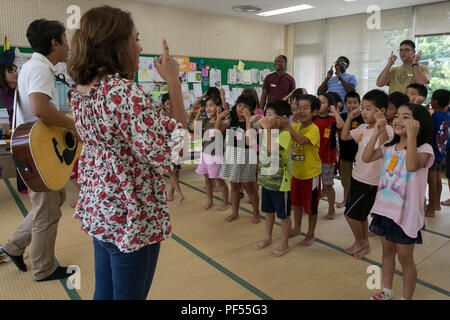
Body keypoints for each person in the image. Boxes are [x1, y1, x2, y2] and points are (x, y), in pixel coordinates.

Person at [67, 6, 188, 300]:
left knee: (104, 293)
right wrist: (173, 79)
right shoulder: (122, 92)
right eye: (135, 38)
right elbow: (177, 144)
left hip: (102, 209)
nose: (140, 46)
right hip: (131, 216)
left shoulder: (81, 90)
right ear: (116, 44)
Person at [1, 19, 75, 282]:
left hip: (34, 149)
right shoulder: (40, 69)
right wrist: (73, 126)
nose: (68, 46)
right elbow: (40, 109)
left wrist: (64, 116)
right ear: (54, 43)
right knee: (47, 210)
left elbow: (41, 110)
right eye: (65, 40)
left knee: (52, 202)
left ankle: (13, 246)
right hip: (37, 152)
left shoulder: (32, 67)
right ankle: (43, 268)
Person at [363, 104, 433, 300]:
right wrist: (376, 133)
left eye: (406, 117)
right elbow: (366, 157)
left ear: (419, 124)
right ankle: (387, 290)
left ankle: (406, 297)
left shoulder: (424, 149)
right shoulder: (389, 147)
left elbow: (411, 166)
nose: (398, 120)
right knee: (387, 252)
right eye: (398, 116)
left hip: (406, 215)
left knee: (405, 258)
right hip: (385, 210)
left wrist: (411, 137)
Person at [340, 89, 394, 259]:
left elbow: (386, 144)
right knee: (359, 216)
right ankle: (363, 242)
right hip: (357, 176)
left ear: (381, 111)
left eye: (368, 108)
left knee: (350, 215)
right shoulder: (363, 127)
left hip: (371, 181)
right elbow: (345, 136)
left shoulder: (388, 129)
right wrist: (349, 117)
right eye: (362, 108)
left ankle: (361, 241)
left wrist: (381, 125)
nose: (363, 111)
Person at [252, 100, 292, 257]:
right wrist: (250, 122)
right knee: (268, 213)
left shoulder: (285, 134)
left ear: (281, 118)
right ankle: (267, 238)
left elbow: (272, 148)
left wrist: (266, 128)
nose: (265, 118)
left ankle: (284, 244)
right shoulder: (266, 132)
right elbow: (249, 141)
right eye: (265, 114)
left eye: (269, 115)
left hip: (280, 183)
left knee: (284, 216)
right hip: (266, 181)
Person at [216, 95, 261, 223]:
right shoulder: (232, 120)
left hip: (246, 155)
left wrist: (248, 119)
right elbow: (217, 131)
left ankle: (256, 213)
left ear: (251, 109)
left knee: (249, 187)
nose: (241, 108)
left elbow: (249, 142)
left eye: (246, 106)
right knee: (234, 185)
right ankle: (234, 212)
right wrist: (219, 117)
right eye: (240, 105)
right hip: (231, 153)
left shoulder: (254, 122)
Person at [285, 94, 321, 246]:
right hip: (297, 174)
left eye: (305, 108)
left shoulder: (314, 129)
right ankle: (297, 228)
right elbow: (285, 132)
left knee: (311, 208)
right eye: (299, 107)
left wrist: (288, 125)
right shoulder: (295, 126)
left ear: (314, 112)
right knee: (297, 204)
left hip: (310, 175)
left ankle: (311, 234)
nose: (300, 111)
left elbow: (300, 140)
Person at [192, 94, 229, 210]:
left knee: (219, 180)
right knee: (207, 180)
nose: (208, 108)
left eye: (211, 105)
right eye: (206, 106)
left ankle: (225, 202)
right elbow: (195, 129)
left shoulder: (223, 122)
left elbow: (216, 132)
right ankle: (210, 201)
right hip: (205, 153)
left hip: (215, 155)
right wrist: (198, 114)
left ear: (218, 107)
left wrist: (219, 116)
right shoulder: (206, 120)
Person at [315, 93, 344, 219]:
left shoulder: (332, 119)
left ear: (329, 106)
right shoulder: (312, 118)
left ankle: (331, 209)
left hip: (327, 159)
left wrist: (335, 112)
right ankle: (312, 206)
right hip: (313, 158)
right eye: (318, 101)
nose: (320, 103)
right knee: (314, 185)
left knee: (327, 185)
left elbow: (341, 126)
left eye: (323, 102)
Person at [0, 62, 28, 194]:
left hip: (28, 125)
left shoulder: (22, 87)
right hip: (15, 128)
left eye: (16, 70)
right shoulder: (2, 92)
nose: (16, 73)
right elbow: (12, 107)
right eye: (11, 71)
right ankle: (22, 187)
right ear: (3, 76)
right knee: (19, 157)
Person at [336, 91, 364, 208]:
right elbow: (340, 126)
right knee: (345, 180)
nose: (352, 105)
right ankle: (345, 200)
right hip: (345, 153)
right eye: (349, 103)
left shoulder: (364, 118)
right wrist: (336, 111)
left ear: (359, 103)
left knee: (360, 180)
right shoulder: (342, 116)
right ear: (345, 104)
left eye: (355, 103)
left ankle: (357, 201)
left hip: (360, 155)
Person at [426, 89, 450, 217]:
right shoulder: (447, 116)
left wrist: (426, 112)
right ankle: (436, 204)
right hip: (442, 150)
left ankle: (431, 207)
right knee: (437, 177)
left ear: (435, 101)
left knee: (432, 178)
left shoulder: (435, 116)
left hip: (434, 151)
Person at [162, 92, 187, 203]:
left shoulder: (176, 117)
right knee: (172, 171)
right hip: (167, 148)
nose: (169, 106)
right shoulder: (162, 117)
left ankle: (172, 193)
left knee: (176, 172)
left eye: (171, 104)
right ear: (163, 105)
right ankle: (179, 193)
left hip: (177, 147)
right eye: (167, 104)